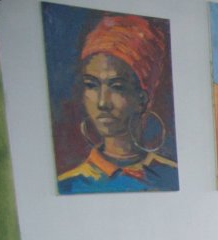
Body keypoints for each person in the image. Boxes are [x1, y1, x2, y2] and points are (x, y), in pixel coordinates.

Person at [58, 14, 178, 193]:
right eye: (91, 85)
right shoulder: (68, 185)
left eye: (117, 87)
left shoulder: (172, 175)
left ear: (142, 99)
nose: (102, 103)